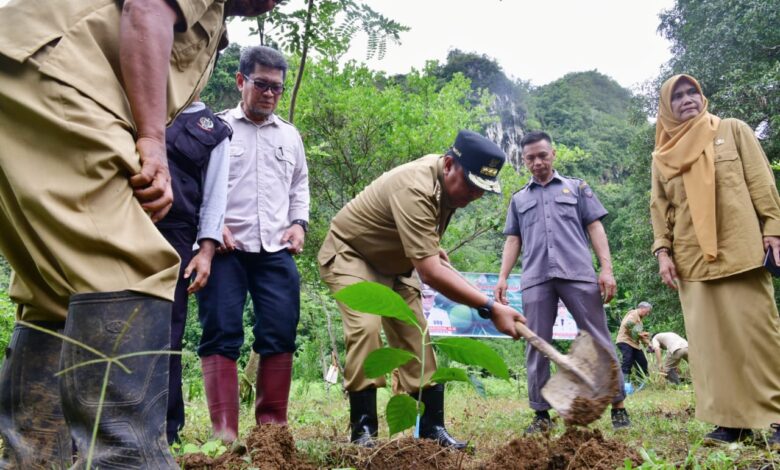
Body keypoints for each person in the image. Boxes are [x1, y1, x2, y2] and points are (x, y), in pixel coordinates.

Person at [0, 0, 279, 467]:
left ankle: (33, 461)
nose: (272, 4)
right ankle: (128, 460)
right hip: (58, 76)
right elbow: (147, 7)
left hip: (24, 70)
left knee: (54, 292)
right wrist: (151, 138)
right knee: (134, 269)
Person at [318, 130, 524, 448]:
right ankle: (363, 431)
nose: (473, 196)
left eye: (481, 190)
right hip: (353, 255)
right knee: (366, 327)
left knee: (417, 337)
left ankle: (430, 429)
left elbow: (426, 248)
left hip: (397, 265)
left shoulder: (451, 189)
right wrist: (490, 307)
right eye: (470, 185)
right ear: (448, 165)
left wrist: (431, 248)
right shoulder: (414, 185)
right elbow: (430, 273)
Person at [650, 74, 780, 447]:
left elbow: (761, 181)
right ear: (666, 107)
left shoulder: (732, 130)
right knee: (710, 346)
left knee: (759, 337)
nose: (688, 99)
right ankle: (730, 423)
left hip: (741, 251)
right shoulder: (661, 156)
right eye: (678, 96)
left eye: (693, 91)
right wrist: (663, 252)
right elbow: (660, 208)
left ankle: (777, 416)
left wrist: (773, 228)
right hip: (691, 260)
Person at [196, 45, 309, 441]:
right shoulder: (216, 130)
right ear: (241, 80)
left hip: (275, 250)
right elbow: (197, 188)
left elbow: (299, 187)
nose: (270, 94)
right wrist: (213, 226)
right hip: (225, 250)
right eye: (261, 84)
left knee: (279, 331)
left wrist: (299, 224)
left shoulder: (290, 137)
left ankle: (271, 434)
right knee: (221, 332)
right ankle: (224, 434)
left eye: (277, 87)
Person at [494, 131, 630, 433]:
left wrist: (606, 269)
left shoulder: (577, 188)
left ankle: (618, 404)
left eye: (542, 155)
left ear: (552, 154)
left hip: (578, 274)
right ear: (523, 160)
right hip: (536, 278)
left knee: (599, 337)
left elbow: (595, 228)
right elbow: (513, 240)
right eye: (530, 157)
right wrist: (503, 277)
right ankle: (541, 414)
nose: (537, 162)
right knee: (536, 342)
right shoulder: (519, 199)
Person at [156, 97, 231, 445]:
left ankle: (165, 430)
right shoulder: (134, 100)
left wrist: (206, 249)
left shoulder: (212, 130)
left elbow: (215, 195)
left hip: (177, 234)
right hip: (122, 220)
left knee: (168, 329)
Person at [615, 302, 652, 384]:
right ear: (642, 308)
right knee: (628, 360)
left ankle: (641, 382)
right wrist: (640, 333)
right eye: (647, 311)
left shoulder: (640, 321)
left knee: (643, 362)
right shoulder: (633, 313)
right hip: (625, 341)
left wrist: (649, 344)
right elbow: (627, 324)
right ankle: (624, 383)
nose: (647, 314)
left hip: (634, 344)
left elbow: (640, 335)